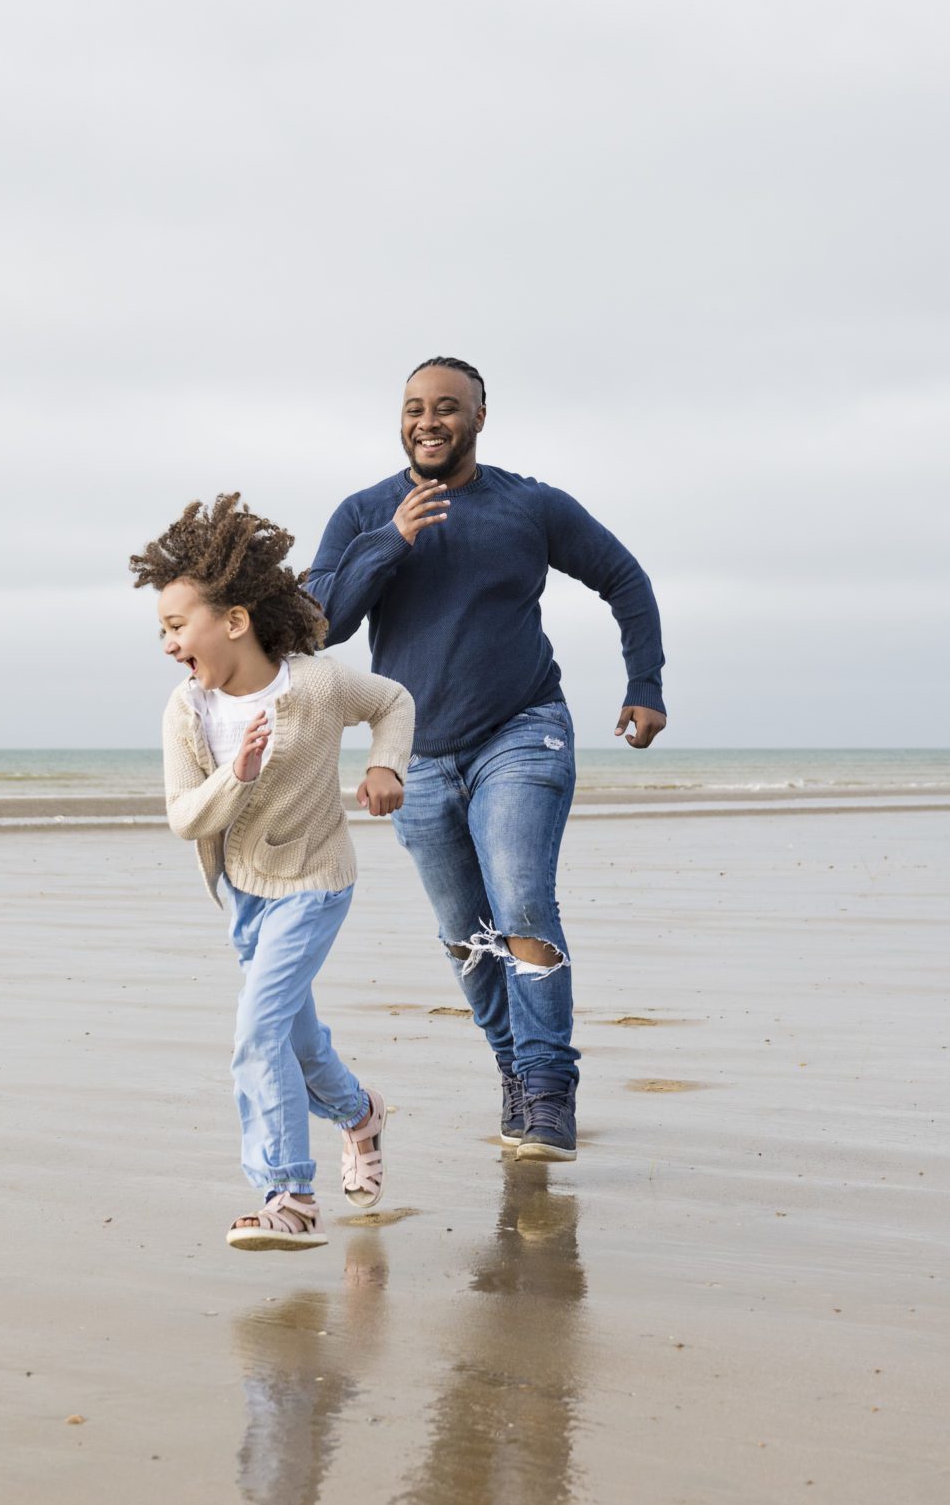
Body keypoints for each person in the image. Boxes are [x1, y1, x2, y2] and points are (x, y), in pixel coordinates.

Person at [307, 357, 667, 1162]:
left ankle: (546, 1087)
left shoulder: (527, 503)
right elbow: (317, 621)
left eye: (446, 407)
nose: (427, 420)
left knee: (521, 904)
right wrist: (389, 541)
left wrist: (644, 680)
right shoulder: (365, 511)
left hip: (522, 728)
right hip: (417, 754)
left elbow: (624, 577)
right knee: (464, 936)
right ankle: (514, 1066)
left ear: (478, 415)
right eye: (413, 408)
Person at [132, 493, 416, 1250]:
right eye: (160, 629)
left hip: (317, 880)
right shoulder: (186, 712)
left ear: (234, 620)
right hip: (247, 896)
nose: (166, 643)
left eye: (174, 625)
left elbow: (393, 700)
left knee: (257, 1030)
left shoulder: (316, 685)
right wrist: (239, 774)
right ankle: (361, 1115)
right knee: (299, 1043)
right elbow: (186, 815)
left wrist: (386, 766)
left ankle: (289, 1193)